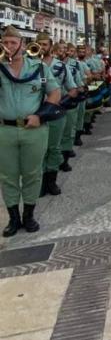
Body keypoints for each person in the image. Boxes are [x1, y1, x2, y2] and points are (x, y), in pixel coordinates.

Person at [1, 26, 62, 237]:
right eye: (5, 42)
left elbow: (54, 93)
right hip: (5, 130)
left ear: (22, 45)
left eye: (12, 43)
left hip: (33, 129)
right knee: (7, 176)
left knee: (32, 173)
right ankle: (13, 218)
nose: (8, 47)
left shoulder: (38, 68)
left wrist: (40, 115)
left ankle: (28, 215)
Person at [40, 40, 77, 195]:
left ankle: (52, 181)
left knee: (54, 148)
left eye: (44, 44)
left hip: (55, 113)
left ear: (50, 46)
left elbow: (73, 89)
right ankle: (40, 183)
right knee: (39, 150)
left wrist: (59, 102)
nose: (41, 47)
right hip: (36, 114)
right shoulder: (28, 65)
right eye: (38, 44)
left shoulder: (61, 66)